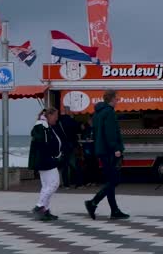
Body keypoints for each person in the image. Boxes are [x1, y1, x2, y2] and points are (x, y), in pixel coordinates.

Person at [86, 90, 129, 220]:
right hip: (110, 151)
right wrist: (116, 148)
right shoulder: (109, 112)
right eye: (117, 98)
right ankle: (93, 202)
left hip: (102, 151)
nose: (118, 100)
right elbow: (110, 133)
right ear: (111, 99)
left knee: (110, 180)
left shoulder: (98, 113)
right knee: (114, 180)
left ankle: (114, 210)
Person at [29, 107, 64, 220]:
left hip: (45, 159)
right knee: (54, 183)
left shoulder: (45, 126)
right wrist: (54, 155)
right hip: (46, 160)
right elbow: (44, 143)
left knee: (46, 186)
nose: (57, 119)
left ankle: (45, 210)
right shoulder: (41, 127)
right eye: (55, 116)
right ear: (49, 115)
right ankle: (39, 206)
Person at [55, 113, 81, 188]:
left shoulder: (59, 123)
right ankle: (78, 183)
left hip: (64, 147)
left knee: (64, 166)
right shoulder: (72, 121)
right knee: (75, 165)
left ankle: (66, 184)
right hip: (72, 145)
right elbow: (77, 130)